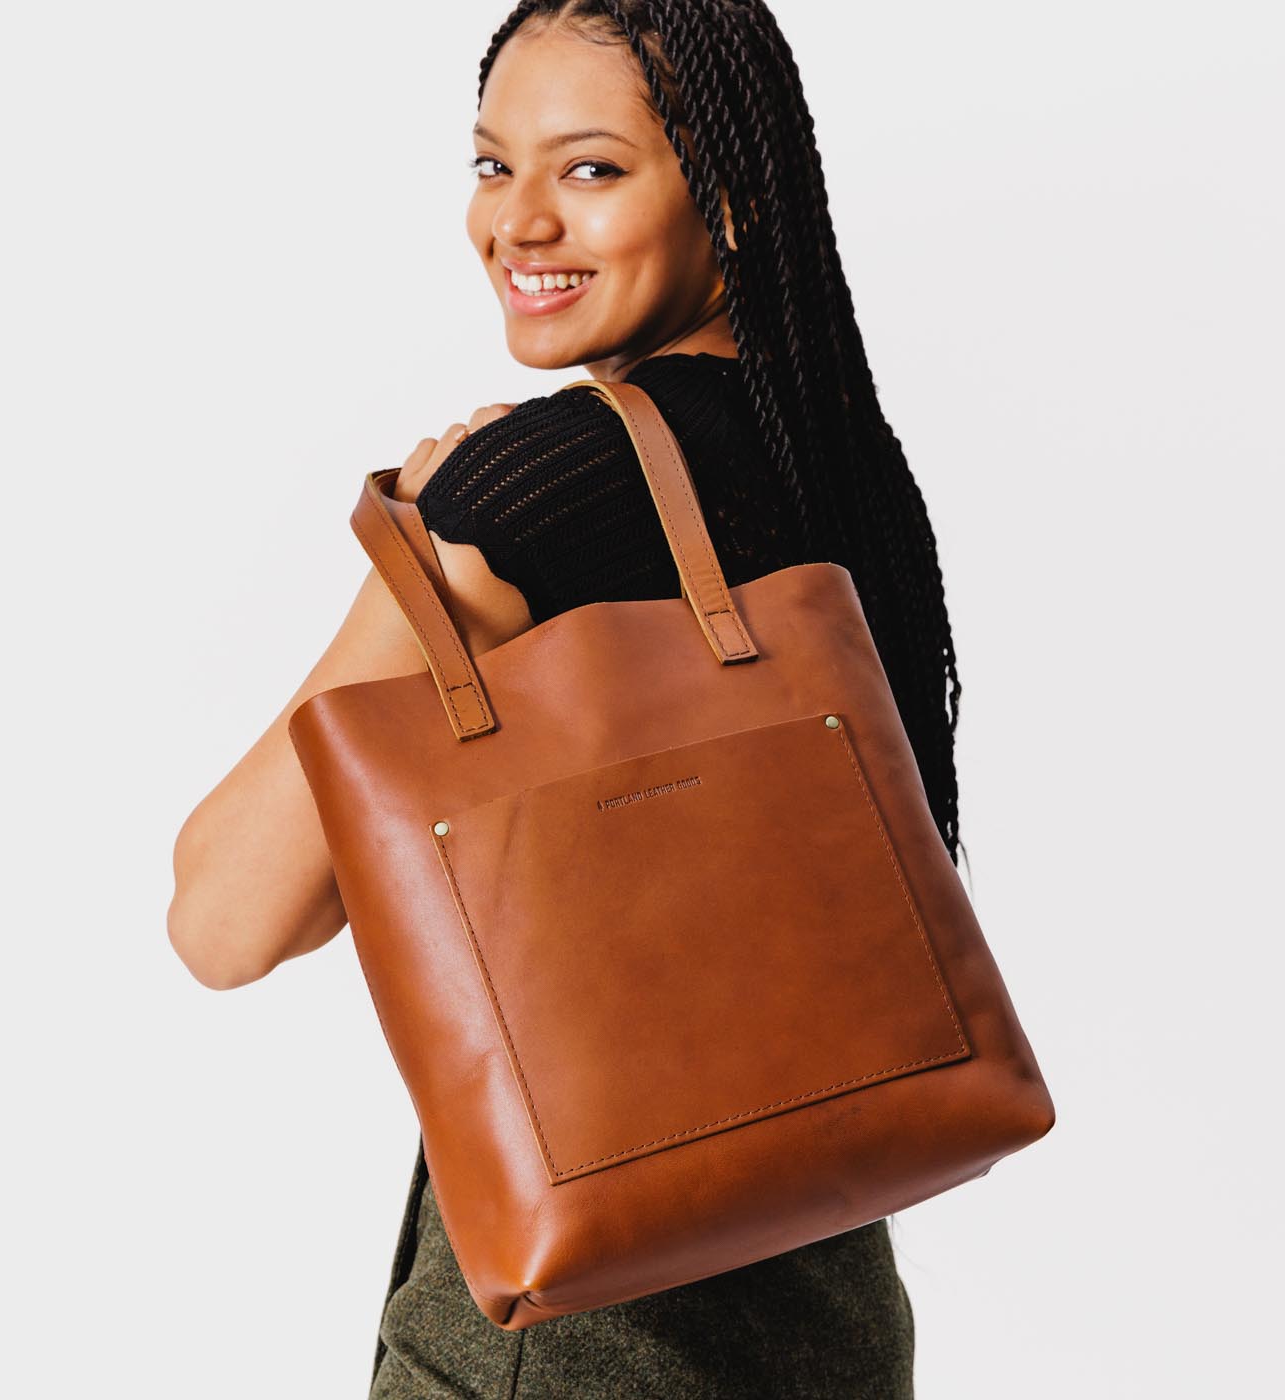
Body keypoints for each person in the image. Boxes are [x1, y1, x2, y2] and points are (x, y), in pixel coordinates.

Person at [169, 2, 966, 1395]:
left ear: (731, 196)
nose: (519, 222)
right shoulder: (830, 452)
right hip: (830, 1310)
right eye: (494, 165)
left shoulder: (547, 486)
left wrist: (424, 549)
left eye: (591, 169)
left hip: (582, 1343)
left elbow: (226, 920)